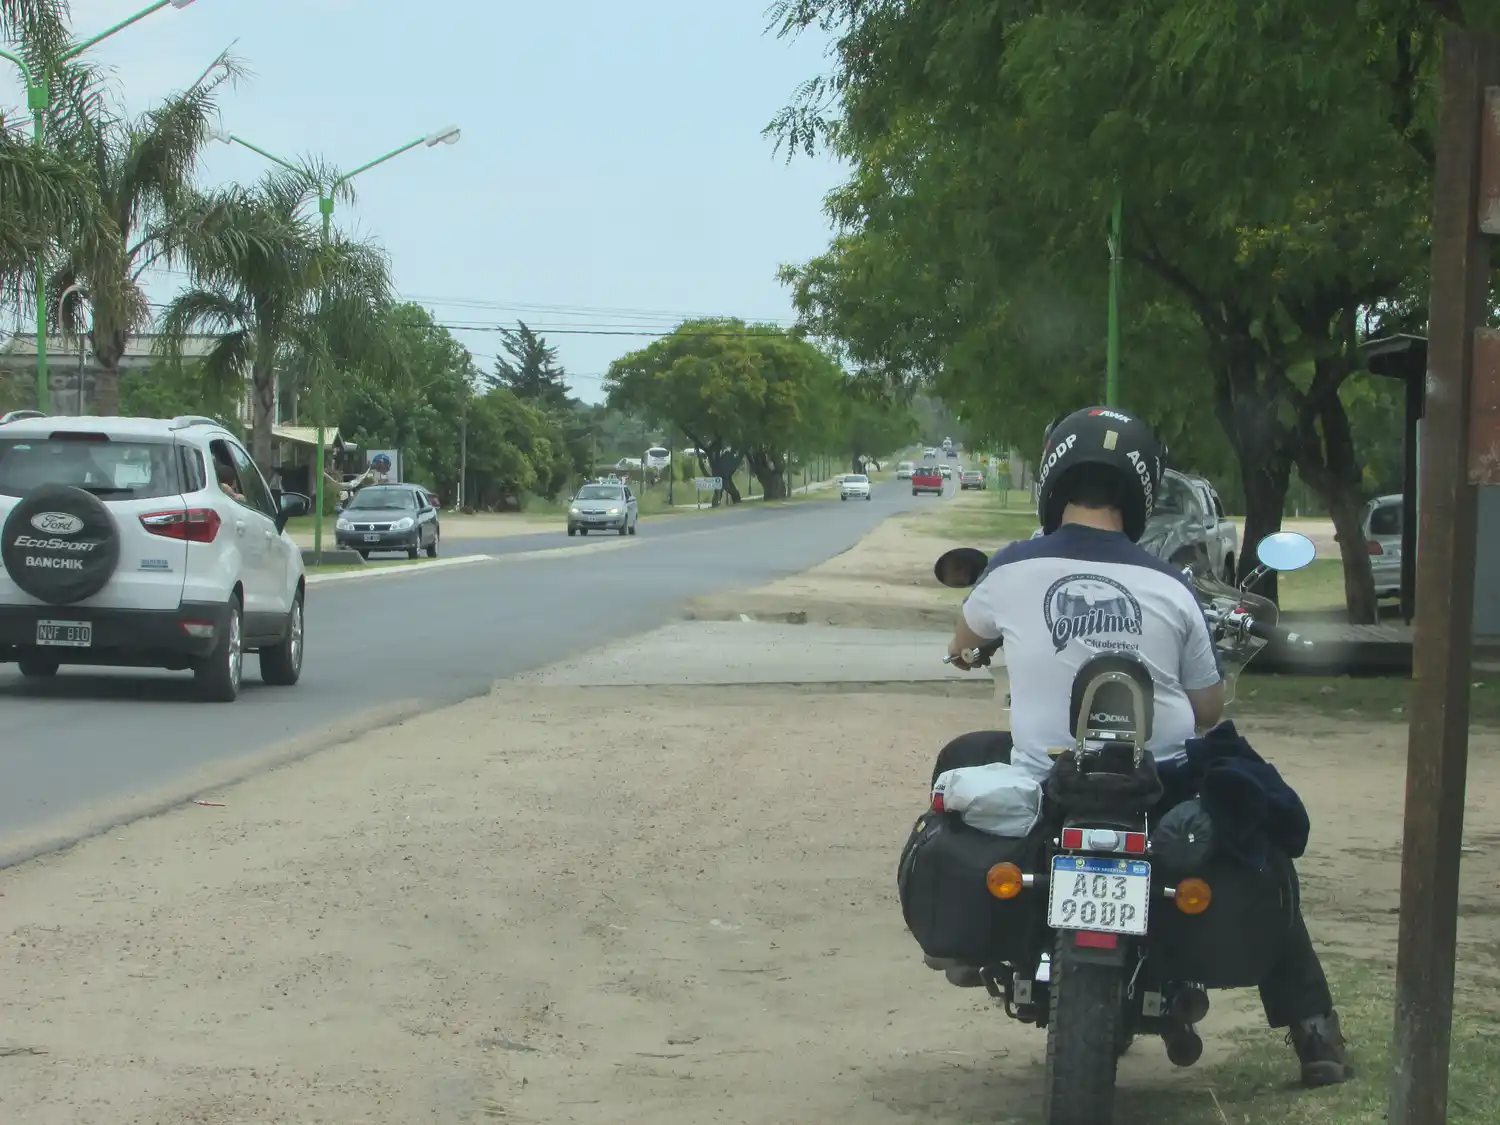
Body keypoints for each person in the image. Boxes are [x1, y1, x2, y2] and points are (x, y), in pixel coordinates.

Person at [939, 405, 1353, 1089]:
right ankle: (1315, 1035)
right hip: (1159, 784)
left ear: (1051, 477)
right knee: (1260, 829)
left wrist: (979, 648)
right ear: (1141, 489)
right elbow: (1209, 708)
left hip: (1050, 782)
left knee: (961, 757)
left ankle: (969, 945)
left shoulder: (1009, 569)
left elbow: (961, 644)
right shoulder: (1174, 588)